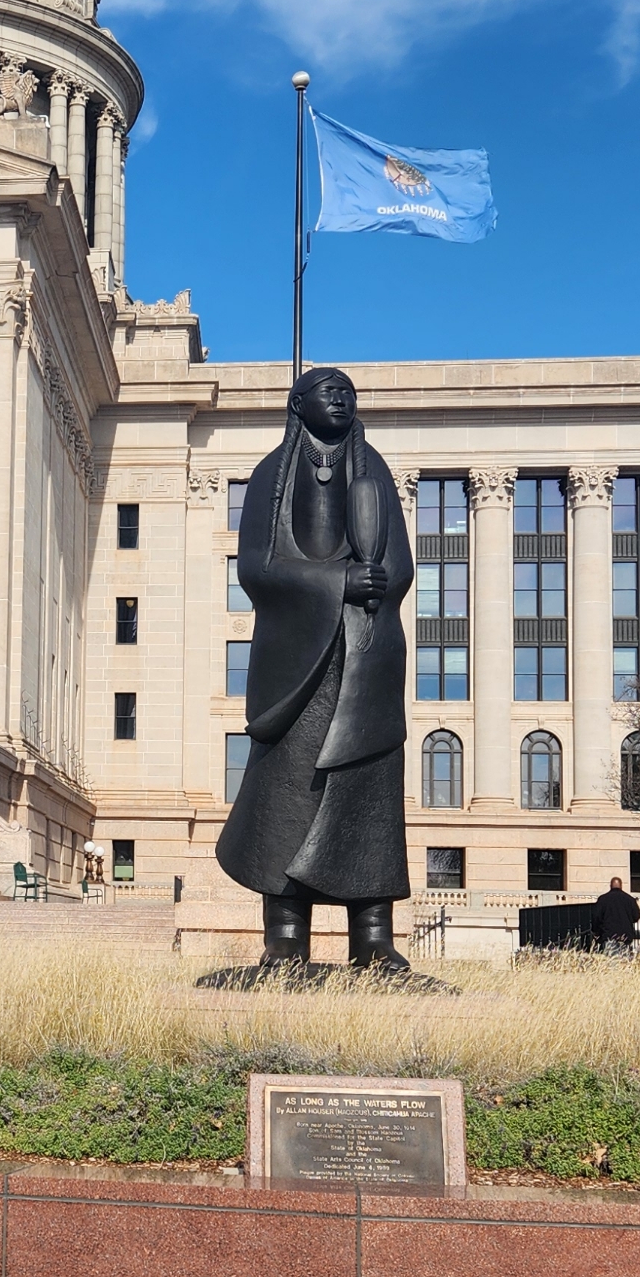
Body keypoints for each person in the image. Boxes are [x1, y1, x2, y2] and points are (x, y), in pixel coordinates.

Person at [214, 367, 415, 970]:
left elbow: (400, 561)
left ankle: (374, 936)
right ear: (298, 404)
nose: (343, 400)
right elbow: (257, 566)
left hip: (363, 656)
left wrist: (377, 582)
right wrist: (336, 581)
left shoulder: (373, 469)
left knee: (367, 791)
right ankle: (284, 936)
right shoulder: (270, 475)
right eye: (330, 391)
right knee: (287, 794)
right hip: (295, 663)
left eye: (350, 393)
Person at [592, 876, 640, 946]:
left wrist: (597, 931)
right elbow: (636, 916)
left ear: (610, 886)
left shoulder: (603, 899)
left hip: (608, 935)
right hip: (626, 936)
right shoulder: (630, 900)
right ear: (621, 886)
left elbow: (596, 917)